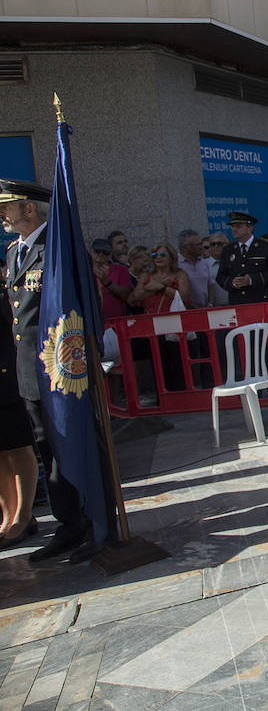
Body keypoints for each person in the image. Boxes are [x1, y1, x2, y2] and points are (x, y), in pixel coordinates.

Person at [1, 180, 94, 562]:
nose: (2, 213)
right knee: (47, 450)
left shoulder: (56, 250)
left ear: (31, 209)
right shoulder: (14, 253)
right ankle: (68, 523)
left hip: (60, 372)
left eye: (9, 206)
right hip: (28, 371)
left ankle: (89, 521)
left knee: (71, 447)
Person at [0, 275, 38, 546]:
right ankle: (6, 515)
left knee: (17, 446)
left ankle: (24, 516)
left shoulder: (5, 291)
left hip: (6, 378)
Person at [215, 213, 268, 305]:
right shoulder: (228, 250)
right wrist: (232, 282)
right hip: (237, 301)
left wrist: (251, 280)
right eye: (233, 226)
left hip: (260, 300)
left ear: (250, 228)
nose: (234, 230)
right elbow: (220, 276)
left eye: (238, 226)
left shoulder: (265, 247)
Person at [128, 243, 190, 314]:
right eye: (154, 255)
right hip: (150, 318)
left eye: (163, 255)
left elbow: (184, 298)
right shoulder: (145, 275)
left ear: (171, 257)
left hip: (174, 317)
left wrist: (162, 288)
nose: (158, 257)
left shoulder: (180, 274)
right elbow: (137, 296)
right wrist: (159, 286)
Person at [90, 238, 133, 319]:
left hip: (116, 320)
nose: (101, 254)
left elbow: (126, 295)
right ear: (91, 251)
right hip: (92, 320)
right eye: (97, 251)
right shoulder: (83, 271)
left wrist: (107, 282)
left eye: (105, 252)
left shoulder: (121, 270)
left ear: (110, 254)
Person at [177, 229, 213, 309]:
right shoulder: (175, 264)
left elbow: (210, 285)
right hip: (186, 311)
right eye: (198, 244)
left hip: (206, 309)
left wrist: (210, 304)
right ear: (185, 246)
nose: (201, 247)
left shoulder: (203, 262)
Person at [205, 233, 230, 305]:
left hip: (235, 305)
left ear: (227, 245)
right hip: (213, 308)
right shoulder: (204, 265)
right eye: (213, 244)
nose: (216, 246)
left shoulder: (235, 263)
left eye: (220, 244)